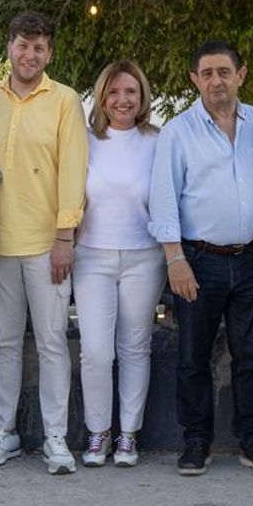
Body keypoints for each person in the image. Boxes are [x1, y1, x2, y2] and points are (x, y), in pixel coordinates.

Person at [150, 40, 253, 478]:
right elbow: (163, 198)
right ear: (194, 80)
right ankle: (195, 441)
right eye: (206, 73)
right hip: (197, 259)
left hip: (250, 260)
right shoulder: (177, 132)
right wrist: (175, 258)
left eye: (223, 71)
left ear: (241, 75)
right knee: (193, 356)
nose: (215, 80)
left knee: (251, 356)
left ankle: (252, 439)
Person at [0, 12, 87, 474]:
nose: (30, 54)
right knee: (4, 341)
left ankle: (56, 437)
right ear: (9, 47)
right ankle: (4, 432)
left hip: (46, 243)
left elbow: (74, 169)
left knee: (54, 342)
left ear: (49, 54)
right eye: (23, 44)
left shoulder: (64, 100)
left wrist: (65, 235)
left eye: (39, 47)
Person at [73, 60, 166, 467]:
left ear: (142, 96)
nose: (122, 100)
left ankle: (128, 434)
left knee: (134, 347)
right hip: (91, 255)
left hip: (144, 256)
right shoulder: (84, 140)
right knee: (94, 350)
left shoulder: (159, 141)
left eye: (130, 92)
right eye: (113, 92)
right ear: (101, 97)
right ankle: (98, 433)